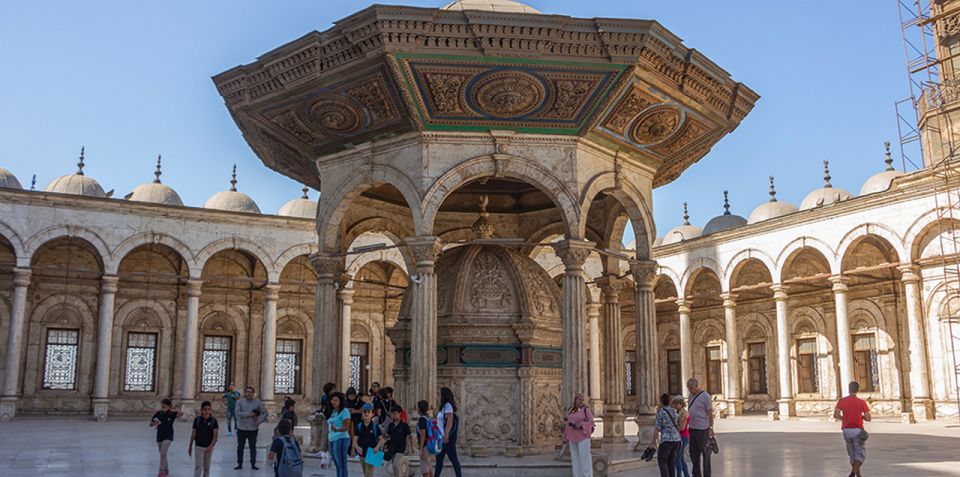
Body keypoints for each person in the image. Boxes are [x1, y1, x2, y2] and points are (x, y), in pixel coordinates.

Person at [834, 381, 872, 477]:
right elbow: (868, 418)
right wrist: (861, 416)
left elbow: (836, 415)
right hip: (857, 430)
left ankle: (858, 475)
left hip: (846, 431)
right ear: (858, 390)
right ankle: (852, 474)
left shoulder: (842, 401)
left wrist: (845, 418)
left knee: (852, 454)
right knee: (860, 455)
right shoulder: (861, 402)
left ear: (849, 390)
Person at [685, 378, 714, 477]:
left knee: (706, 453)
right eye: (688, 388)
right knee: (693, 453)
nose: (690, 390)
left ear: (696, 386)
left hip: (703, 429)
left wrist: (711, 427)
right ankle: (696, 474)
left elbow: (710, 413)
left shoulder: (705, 396)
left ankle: (707, 474)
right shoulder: (690, 396)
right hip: (692, 428)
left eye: (691, 388)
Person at [235, 386, 268, 470]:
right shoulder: (240, 402)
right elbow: (237, 413)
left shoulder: (258, 402)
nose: (249, 393)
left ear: (253, 393)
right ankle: (239, 464)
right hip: (241, 428)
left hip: (253, 428)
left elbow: (265, 413)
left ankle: (253, 464)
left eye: (251, 392)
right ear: (245, 393)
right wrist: (249, 414)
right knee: (240, 447)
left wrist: (259, 421)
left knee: (252, 447)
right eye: (248, 392)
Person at [648, 393, 681, 477]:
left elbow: (657, 428)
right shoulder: (674, 412)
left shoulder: (661, 412)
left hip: (666, 440)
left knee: (662, 461)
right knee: (671, 463)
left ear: (661, 402)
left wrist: (653, 442)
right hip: (676, 440)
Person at [562, 393, 594, 477]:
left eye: (582, 400)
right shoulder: (572, 410)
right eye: (579, 399)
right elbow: (568, 422)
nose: (581, 401)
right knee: (575, 458)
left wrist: (582, 424)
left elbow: (591, 422)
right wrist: (565, 436)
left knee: (584, 458)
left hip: (583, 436)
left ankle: (587, 475)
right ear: (575, 400)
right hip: (572, 436)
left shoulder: (586, 410)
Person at [150, 398, 182, 477]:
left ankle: (161, 471)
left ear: (168, 407)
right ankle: (166, 469)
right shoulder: (158, 413)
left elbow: (181, 414)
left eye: (165, 407)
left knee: (163, 453)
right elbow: (150, 424)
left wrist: (175, 409)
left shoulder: (172, 414)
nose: (163, 408)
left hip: (168, 436)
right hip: (160, 435)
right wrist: (155, 423)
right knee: (162, 454)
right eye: (162, 407)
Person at [435, 387, 462, 477]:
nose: (438, 396)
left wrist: (446, 434)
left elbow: (449, 421)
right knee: (439, 460)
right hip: (441, 438)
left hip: (446, 438)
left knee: (453, 459)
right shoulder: (444, 407)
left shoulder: (448, 406)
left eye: (440, 394)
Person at [354, 402, 386, 477]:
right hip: (362, 452)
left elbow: (381, 439)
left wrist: (377, 447)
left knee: (369, 472)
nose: (366, 413)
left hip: (372, 452)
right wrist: (357, 447)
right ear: (362, 413)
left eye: (369, 412)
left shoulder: (375, 426)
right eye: (364, 412)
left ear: (372, 414)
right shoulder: (359, 426)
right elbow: (355, 439)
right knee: (365, 472)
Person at [189, 401, 219, 477]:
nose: (207, 411)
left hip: (209, 447)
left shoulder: (213, 421)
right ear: (201, 410)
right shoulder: (197, 420)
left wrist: (210, 447)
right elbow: (193, 434)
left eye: (208, 409)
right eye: (205, 409)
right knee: (198, 466)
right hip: (199, 446)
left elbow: (215, 437)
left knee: (206, 467)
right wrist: (190, 446)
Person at [328, 392, 352, 477]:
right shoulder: (333, 411)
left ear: (341, 401)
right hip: (332, 439)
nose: (333, 402)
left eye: (336, 400)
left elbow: (346, 427)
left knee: (342, 464)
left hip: (341, 439)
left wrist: (337, 429)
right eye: (332, 400)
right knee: (337, 464)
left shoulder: (345, 411)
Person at [385, 404, 413, 477]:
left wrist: (412, 447)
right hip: (392, 447)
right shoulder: (391, 425)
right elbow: (387, 435)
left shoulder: (404, 425)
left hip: (400, 448)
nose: (393, 415)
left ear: (400, 413)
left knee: (395, 465)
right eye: (392, 413)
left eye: (395, 413)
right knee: (393, 464)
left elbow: (410, 436)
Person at [416, 400, 436, 477]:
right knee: (430, 469)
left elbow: (422, 434)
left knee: (425, 471)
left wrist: (420, 449)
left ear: (419, 409)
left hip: (425, 446)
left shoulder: (422, 419)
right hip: (431, 445)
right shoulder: (429, 418)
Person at [672, 396, 690, 477]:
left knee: (677, 458)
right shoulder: (679, 412)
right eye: (674, 403)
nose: (675, 405)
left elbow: (682, 427)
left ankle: (679, 475)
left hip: (683, 437)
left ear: (681, 404)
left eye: (677, 403)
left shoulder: (683, 413)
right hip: (682, 436)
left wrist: (673, 429)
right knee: (681, 458)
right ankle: (687, 475)